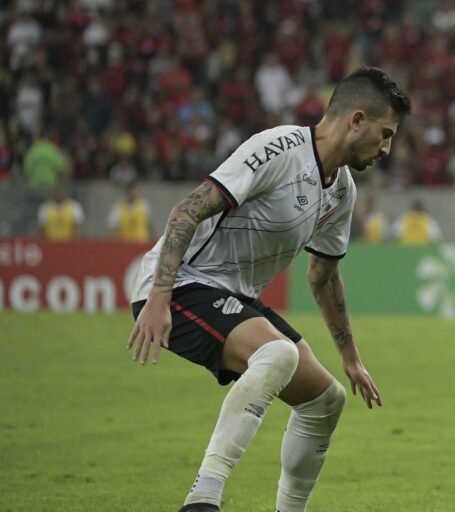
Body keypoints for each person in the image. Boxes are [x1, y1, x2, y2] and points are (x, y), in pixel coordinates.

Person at [127, 67, 411, 512]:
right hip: (182, 283)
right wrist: (159, 298)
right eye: (385, 133)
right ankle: (202, 499)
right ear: (356, 120)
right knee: (278, 354)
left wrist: (351, 358)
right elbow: (186, 211)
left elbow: (322, 275)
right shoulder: (277, 149)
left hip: (233, 296)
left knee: (325, 401)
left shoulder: (342, 191)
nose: (387, 148)